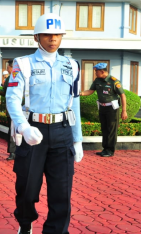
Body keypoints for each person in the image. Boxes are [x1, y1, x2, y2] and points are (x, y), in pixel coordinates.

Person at [6, 13, 83, 234]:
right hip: (33, 131)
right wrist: (23, 127)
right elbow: (12, 98)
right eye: (47, 35)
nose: (53, 39)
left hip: (62, 132)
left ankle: (56, 231)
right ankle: (25, 223)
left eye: (57, 34)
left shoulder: (72, 65)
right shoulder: (22, 64)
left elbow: (74, 102)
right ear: (36, 37)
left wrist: (77, 140)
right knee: (27, 188)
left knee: (61, 190)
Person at [80, 63, 127, 157]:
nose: (95, 73)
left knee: (111, 129)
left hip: (112, 108)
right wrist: (80, 93)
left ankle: (110, 150)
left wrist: (124, 110)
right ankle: (105, 149)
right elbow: (91, 91)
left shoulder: (114, 81)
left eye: (96, 71)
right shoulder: (97, 80)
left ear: (102, 71)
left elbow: (122, 95)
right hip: (102, 107)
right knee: (104, 128)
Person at [0, 60, 16, 161]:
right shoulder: (24, 77)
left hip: (13, 108)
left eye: (7, 67)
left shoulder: (10, 79)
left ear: (10, 67)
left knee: (12, 130)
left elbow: (5, 93)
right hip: (23, 108)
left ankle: (13, 152)